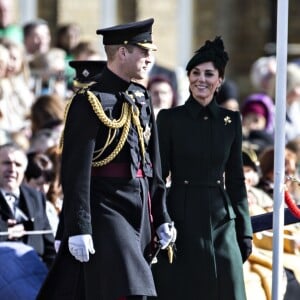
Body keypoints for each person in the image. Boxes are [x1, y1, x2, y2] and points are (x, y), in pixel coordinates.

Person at [37, 18, 175, 300]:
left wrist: (161, 215)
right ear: (123, 52)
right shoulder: (89, 100)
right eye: (144, 51)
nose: (150, 59)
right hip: (106, 208)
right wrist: (78, 226)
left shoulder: (141, 95)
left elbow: (153, 166)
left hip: (140, 209)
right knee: (133, 289)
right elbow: (76, 171)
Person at [150, 36, 253, 300]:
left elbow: (236, 179)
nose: (201, 79)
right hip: (180, 219)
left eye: (209, 74)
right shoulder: (169, 118)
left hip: (222, 220)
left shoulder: (232, 121)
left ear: (219, 81)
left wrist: (245, 231)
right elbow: (158, 176)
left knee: (228, 288)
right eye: (195, 73)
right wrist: (159, 221)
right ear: (187, 78)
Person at [0, 143, 56, 268]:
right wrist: (5, 232)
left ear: (24, 170)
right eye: (6, 163)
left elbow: (49, 246)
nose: (12, 169)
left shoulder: (36, 197)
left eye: (18, 165)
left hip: (35, 273)